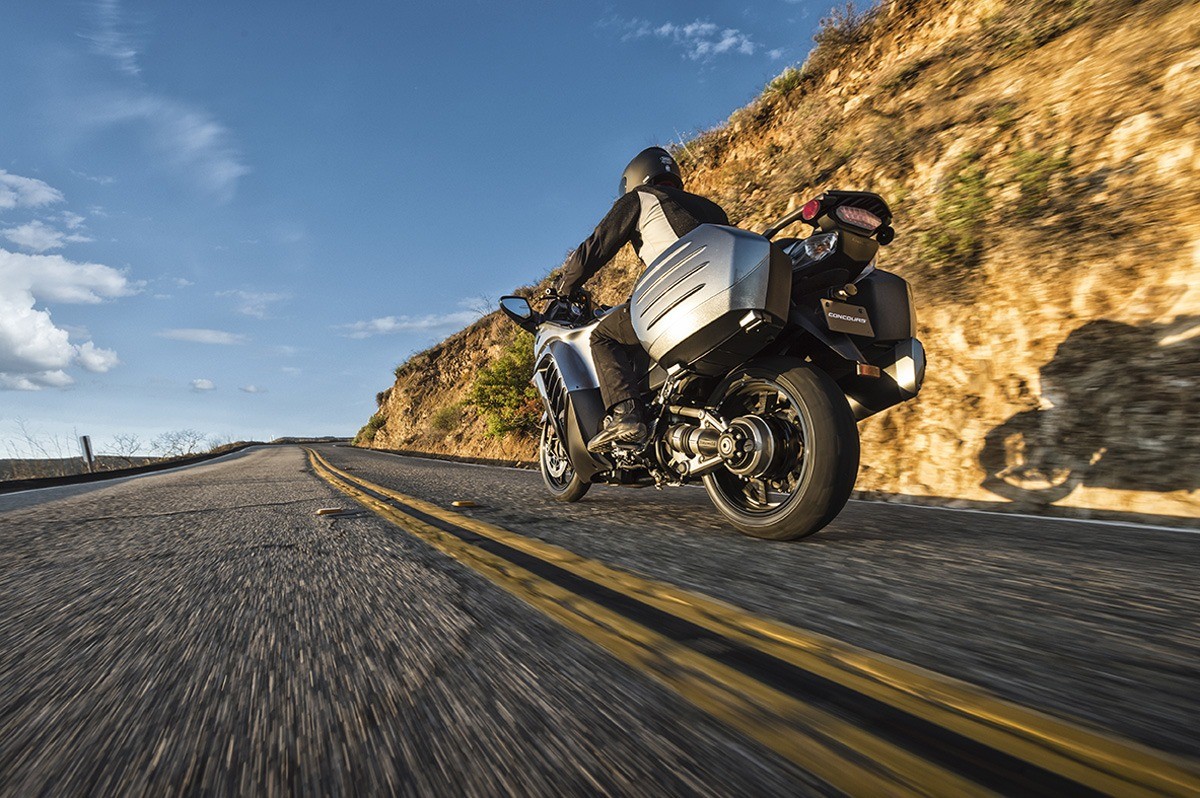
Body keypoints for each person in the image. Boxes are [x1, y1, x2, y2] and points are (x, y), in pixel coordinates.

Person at [555, 146, 730, 452]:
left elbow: (596, 247)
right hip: (722, 293)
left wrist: (565, 287)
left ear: (635, 178)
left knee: (603, 335)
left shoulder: (641, 198)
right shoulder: (713, 209)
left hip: (679, 292)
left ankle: (627, 415)